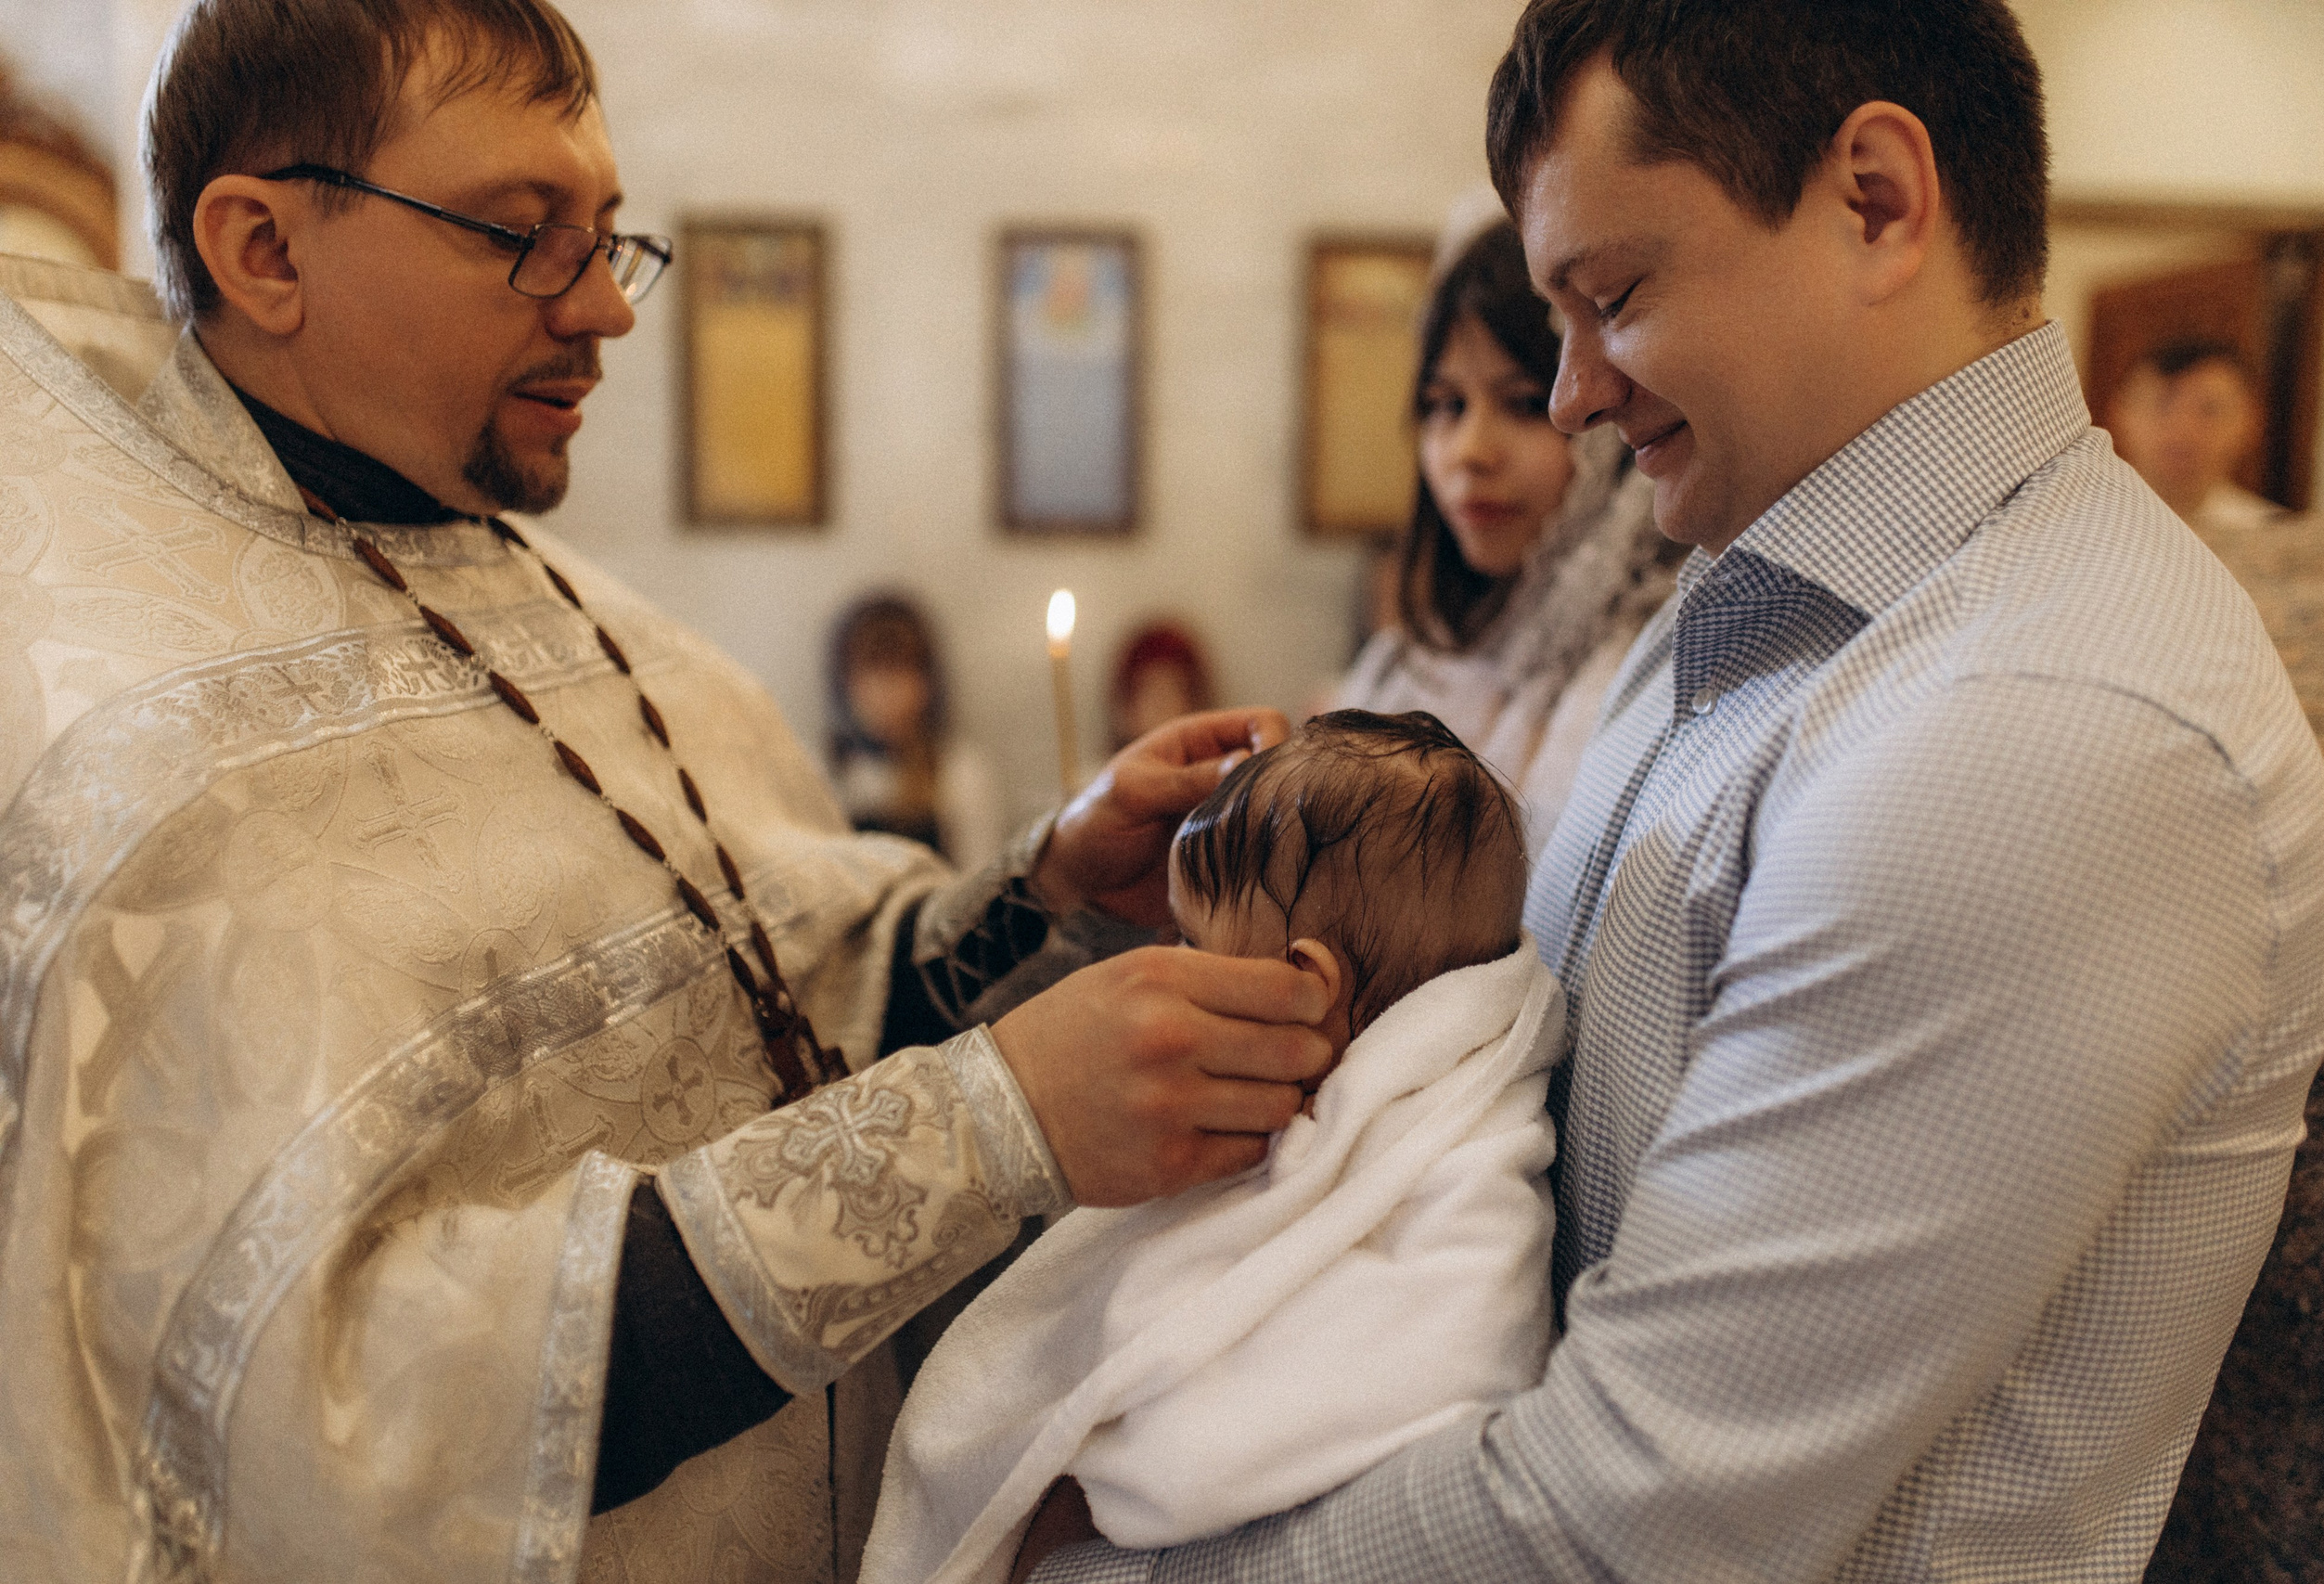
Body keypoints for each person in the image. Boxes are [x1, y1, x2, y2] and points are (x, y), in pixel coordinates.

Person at [0, 4, 1336, 1582]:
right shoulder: (137, 782)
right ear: (264, 251)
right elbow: (333, 1402)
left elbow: (782, 995)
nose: (605, 314)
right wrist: (991, 1129)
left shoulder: (576, 616)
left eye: (607, 238)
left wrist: (1040, 886)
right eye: (522, 236)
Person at [1026, 2, 2324, 1578]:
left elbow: (1638, 1514)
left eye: (1615, 296)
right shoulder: (1757, 582)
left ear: (1875, 197)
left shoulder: (2041, 729)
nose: (1573, 393)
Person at [865, 712, 1561, 1584]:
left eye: (1190, 939)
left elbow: (1452, 1351)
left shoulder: (1462, 1152)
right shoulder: (1314, 1109)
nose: (1163, 956)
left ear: (1306, 985)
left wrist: (1124, 1471)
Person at [1333, 214, 1679, 855]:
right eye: (1446, 405)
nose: (1470, 451)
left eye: (1523, 403)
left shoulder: (1655, 670)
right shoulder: (1414, 664)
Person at [829, 592, 1007, 870]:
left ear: (928, 684)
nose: (884, 694)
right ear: (844, 683)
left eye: (899, 674)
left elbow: (981, 880)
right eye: (870, 674)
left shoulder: (959, 772)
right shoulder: (828, 772)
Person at [2107, 336, 2287, 532]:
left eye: (2209, 410)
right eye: (2162, 405)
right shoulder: (2085, 521)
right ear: (2119, 413)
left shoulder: (2275, 534)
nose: (2183, 428)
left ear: (2251, 422)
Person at [1108, 620, 1215, 753]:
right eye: (1150, 690)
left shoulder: (1219, 769)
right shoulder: (1105, 772)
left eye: (1171, 690)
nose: (1161, 703)